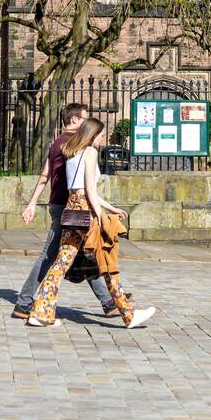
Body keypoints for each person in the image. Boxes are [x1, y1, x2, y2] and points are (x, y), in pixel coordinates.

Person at [29, 117, 155, 329]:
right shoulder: (90, 152)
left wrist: (111, 207)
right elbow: (89, 190)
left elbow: (79, 190)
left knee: (60, 264)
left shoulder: (71, 152)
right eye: (101, 136)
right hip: (86, 212)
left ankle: (41, 312)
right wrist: (101, 217)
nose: (102, 140)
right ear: (93, 135)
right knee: (106, 260)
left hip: (71, 210)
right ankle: (128, 314)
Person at [12, 103, 120, 322]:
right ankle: (24, 302)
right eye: (85, 119)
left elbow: (44, 176)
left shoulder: (54, 145)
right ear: (74, 120)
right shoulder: (74, 143)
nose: (87, 124)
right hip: (69, 207)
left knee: (82, 253)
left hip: (59, 205)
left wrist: (33, 203)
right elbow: (84, 184)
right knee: (53, 256)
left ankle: (109, 302)